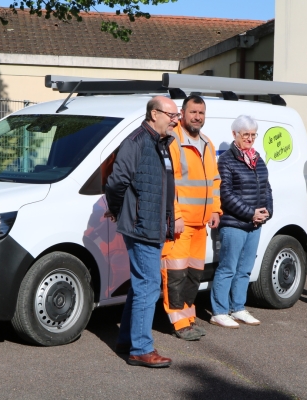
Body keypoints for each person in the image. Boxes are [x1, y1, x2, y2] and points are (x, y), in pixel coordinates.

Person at [104, 95, 178, 368]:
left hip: (154, 225)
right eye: (171, 115)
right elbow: (115, 183)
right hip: (141, 226)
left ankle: (127, 340)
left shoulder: (162, 144)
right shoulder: (136, 142)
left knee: (141, 285)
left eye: (176, 116)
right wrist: (118, 209)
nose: (175, 120)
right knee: (148, 286)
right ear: (154, 114)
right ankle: (141, 349)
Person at [161, 95, 221, 341]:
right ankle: (179, 323)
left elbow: (214, 180)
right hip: (180, 224)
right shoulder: (173, 140)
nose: (197, 117)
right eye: (193, 112)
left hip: (201, 224)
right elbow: (169, 182)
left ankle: (188, 317)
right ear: (183, 113)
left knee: (193, 276)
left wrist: (216, 209)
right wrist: (174, 216)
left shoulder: (207, 142)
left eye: (201, 113)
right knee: (175, 275)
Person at [210, 115, 272, 328]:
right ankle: (219, 311)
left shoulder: (257, 158)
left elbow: (266, 188)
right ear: (234, 134)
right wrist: (250, 213)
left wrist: (267, 211)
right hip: (235, 223)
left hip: (254, 224)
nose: (250, 139)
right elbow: (226, 194)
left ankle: (238, 308)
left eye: (253, 135)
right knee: (228, 267)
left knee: (245, 268)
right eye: (246, 134)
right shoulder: (227, 160)